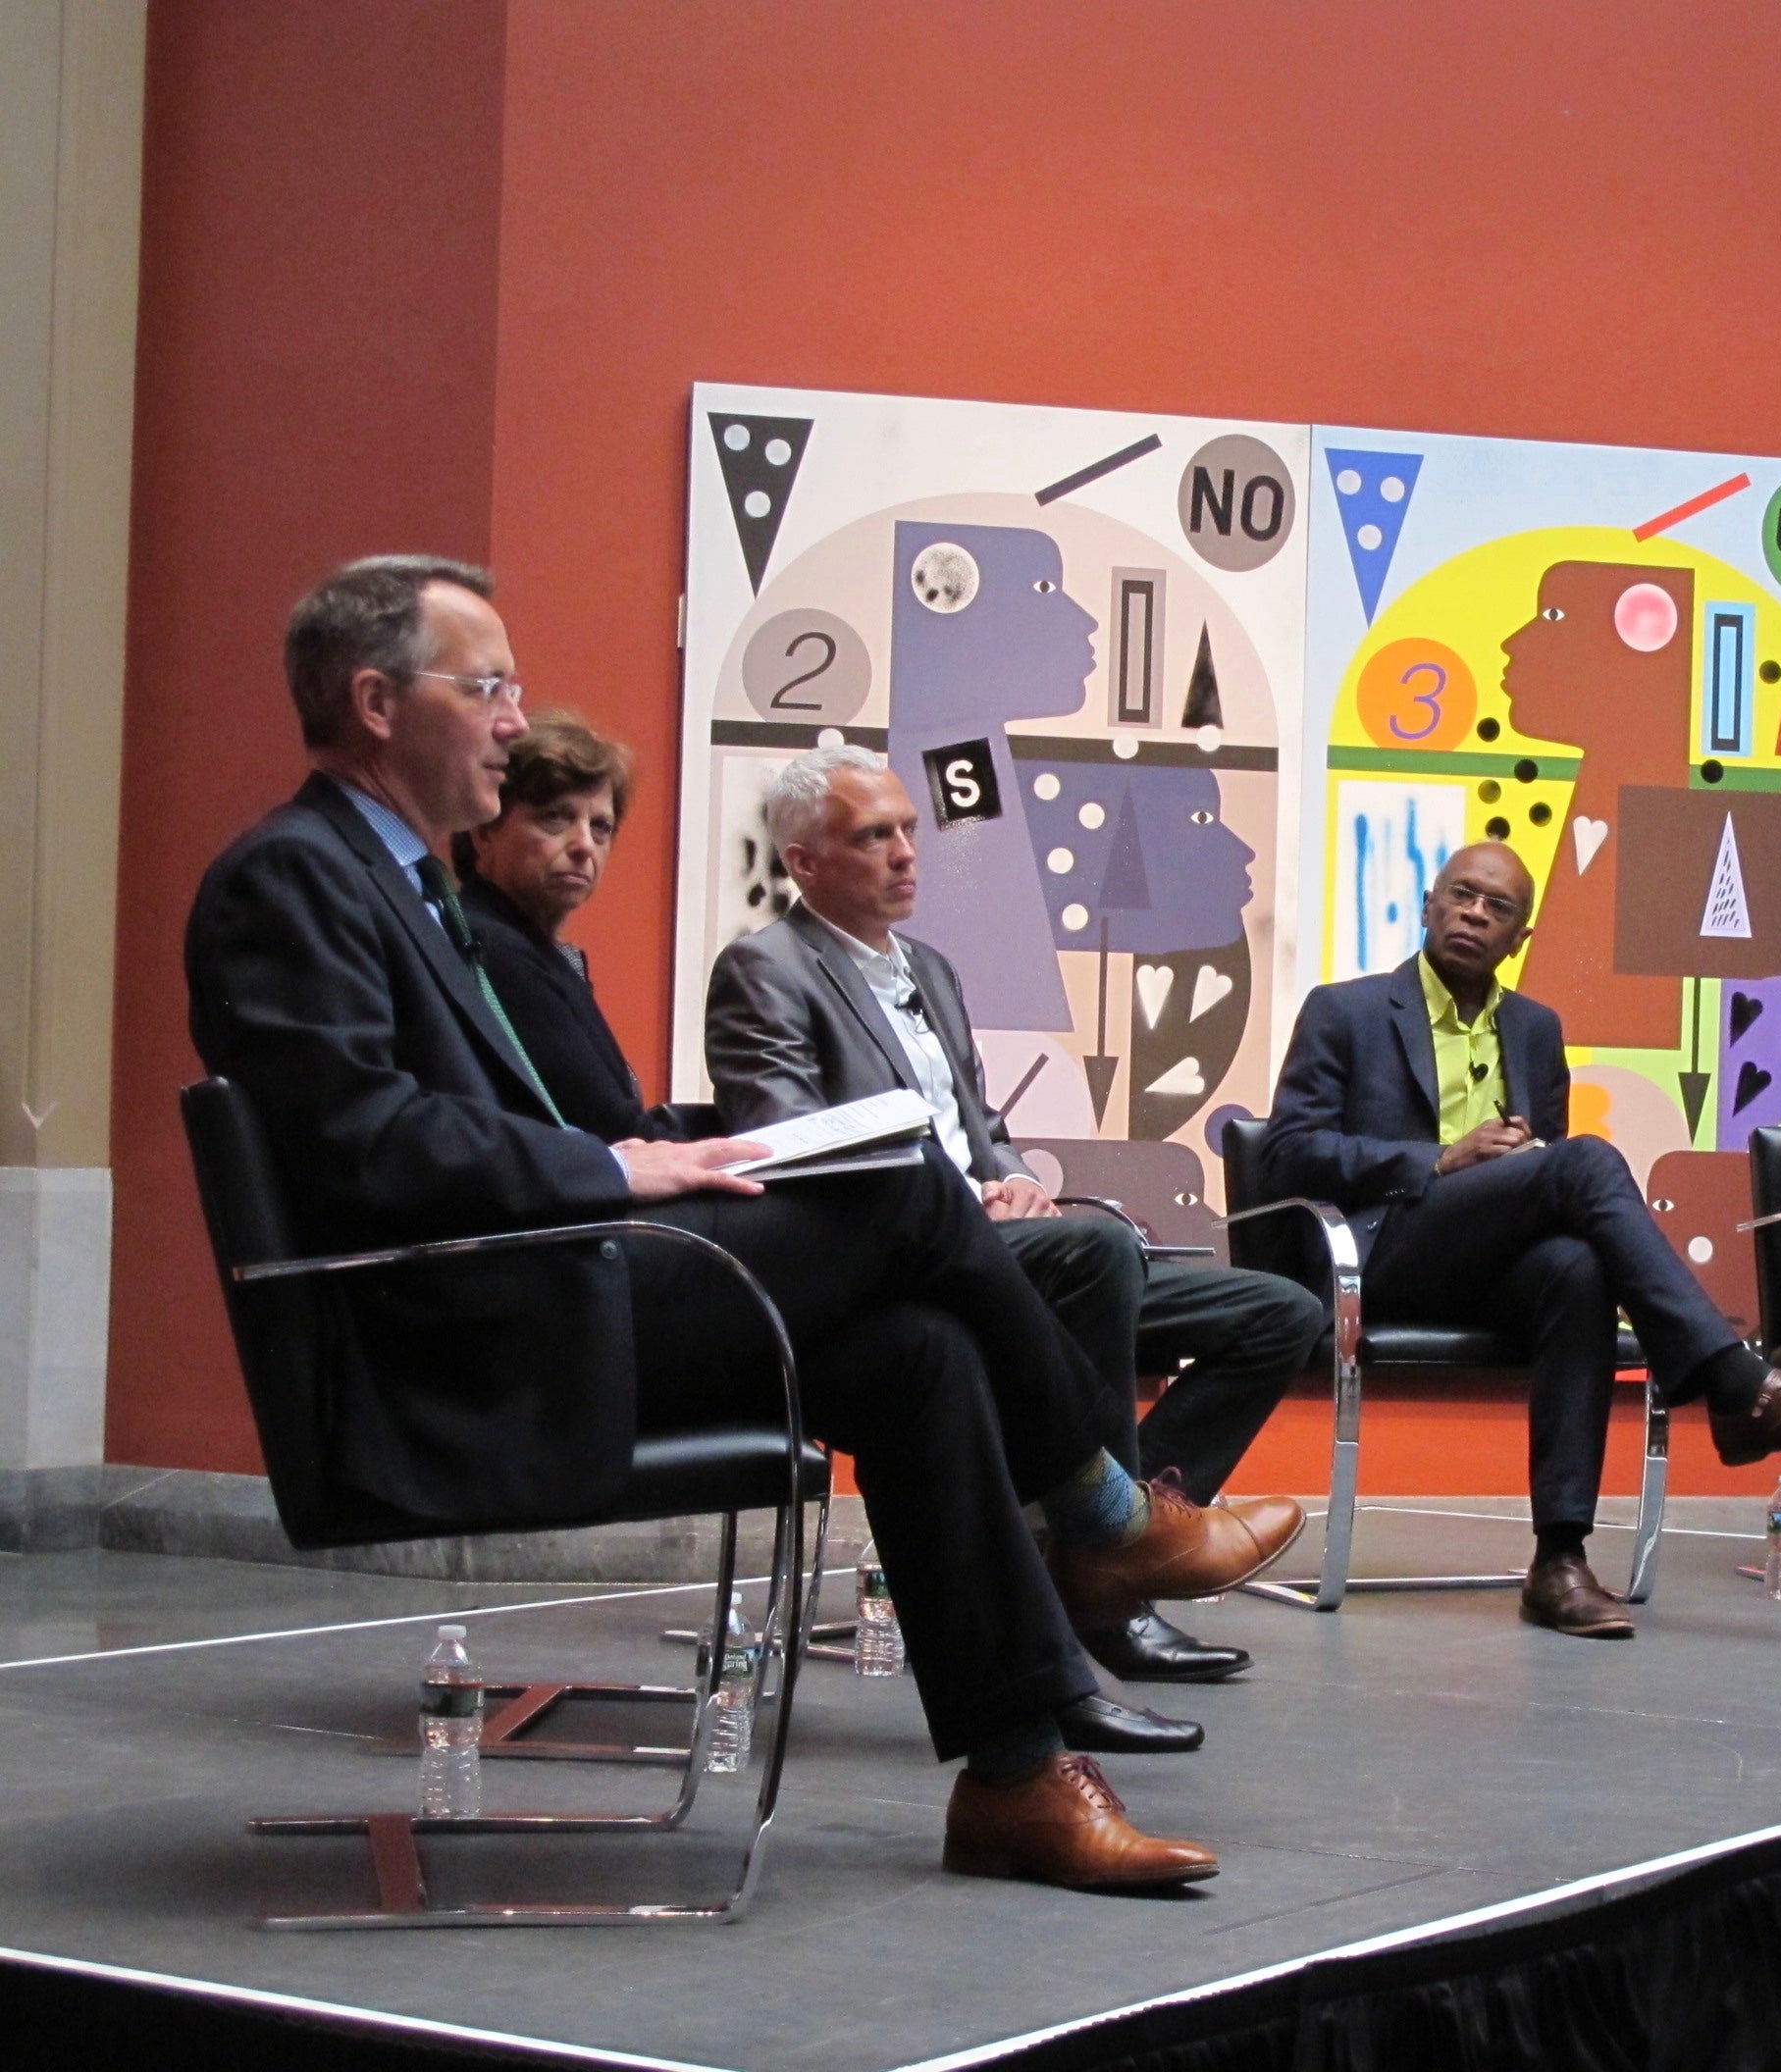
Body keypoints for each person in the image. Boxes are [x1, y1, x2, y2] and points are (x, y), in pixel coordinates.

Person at [185, 555, 1305, 1891]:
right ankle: (1109, 1511)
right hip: (472, 1330)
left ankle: (1018, 1779)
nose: (509, 719)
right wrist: (615, 1171)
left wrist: (665, 1154)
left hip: (551, 1285)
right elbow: (357, 1139)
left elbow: (481, 1115)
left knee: (915, 1356)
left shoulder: (412, 888)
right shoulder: (290, 878)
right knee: (904, 1192)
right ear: (375, 702)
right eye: (485, 686)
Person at [706, 745, 1326, 1686]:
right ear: (805, 862)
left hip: (1003, 1244)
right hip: (904, 1264)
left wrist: (1014, 1177)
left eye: (909, 829)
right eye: (874, 837)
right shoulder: (767, 970)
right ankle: (1117, 1587)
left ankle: (1091, 1556)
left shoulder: (931, 970)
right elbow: (786, 1142)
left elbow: (981, 1128)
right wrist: (961, 1201)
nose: (907, 852)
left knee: (1280, 1311)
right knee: (1098, 1252)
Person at [1260, 841, 1781, 1639]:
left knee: (1577, 1266)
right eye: (1462, 895)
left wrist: (1519, 1169)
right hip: (1380, 1252)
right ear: (1428, 905)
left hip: (1485, 1263)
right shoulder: (1346, 1009)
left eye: (1497, 908)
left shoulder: (1534, 1029)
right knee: (1589, 1164)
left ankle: (1559, 1561)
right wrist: (1438, 1159)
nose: (1474, 914)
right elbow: (1290, 1152)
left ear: (1518, 939)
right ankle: (1736, 1388)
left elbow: (1552, 1197)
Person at [450, 710, 670, 1142]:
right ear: (484, 832)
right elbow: (611, 1127)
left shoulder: (530, 944)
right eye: (555, 817)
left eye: (601, 826)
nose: (585, 845)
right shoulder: (490, 944)